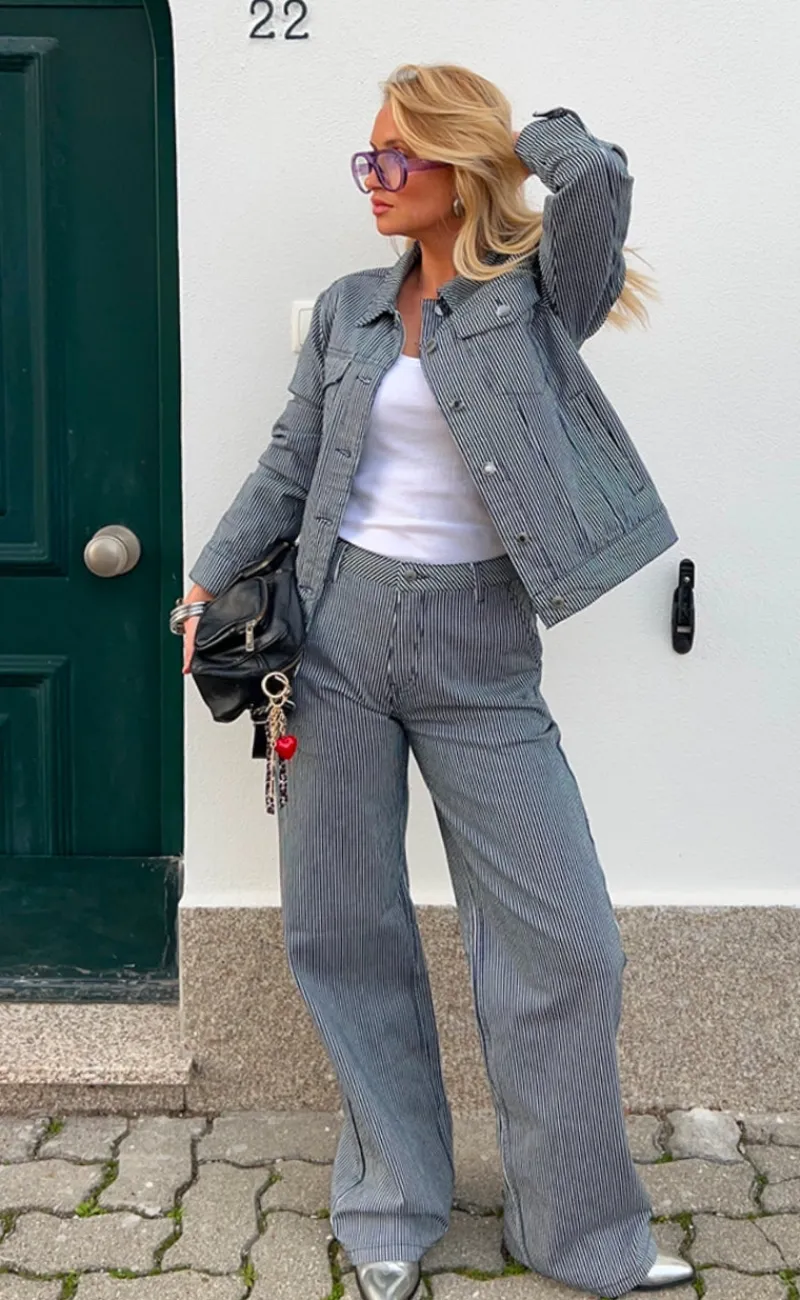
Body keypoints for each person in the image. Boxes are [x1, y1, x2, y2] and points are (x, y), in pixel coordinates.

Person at [177, 62, 693, 1300]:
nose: (372, 179)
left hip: (482, 648)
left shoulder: (535, 299)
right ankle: (389, 1209)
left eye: (396, 156)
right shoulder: (349, 309)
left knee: (566, 944)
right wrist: (205, 583)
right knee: (343, 927)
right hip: (334, 635)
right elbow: (291, 460)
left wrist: (516, 139)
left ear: (457, 169)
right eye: (365, 157)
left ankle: (576, 1234)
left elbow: (594, 179)